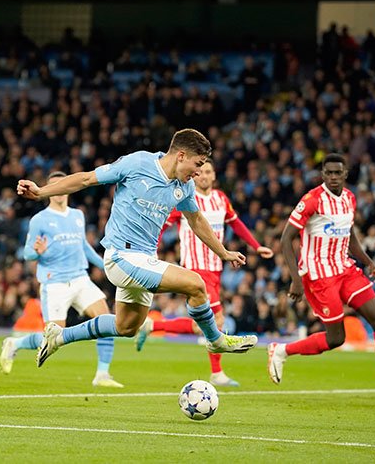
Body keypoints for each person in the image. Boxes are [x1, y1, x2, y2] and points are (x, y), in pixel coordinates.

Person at [17, 128, 257, 368]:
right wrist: (41, 192)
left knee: (127, 327)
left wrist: (223, 252)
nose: (198, 172)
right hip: (121, 256)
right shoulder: (138, 163)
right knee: (195, 284)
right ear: (181, 155)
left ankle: (60, 336)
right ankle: (215, 340)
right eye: (198, 164)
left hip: (145, 258)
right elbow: (86, 179)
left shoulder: (184, 187)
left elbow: (196, 220)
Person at [267, 153, 375, 401]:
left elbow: (349, 236)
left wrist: (368, 262)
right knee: (336, 338)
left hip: (345, 269)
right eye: (328, 173)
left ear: (345, 174)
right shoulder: (312, 200)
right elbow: (286, 238)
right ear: (322, 174)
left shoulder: (350, 198)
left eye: (337, 173)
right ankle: (282, 350)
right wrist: (296, 278)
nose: (333, 177)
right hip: (319, 275)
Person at [135, 160, 274, 387]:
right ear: (195, 175)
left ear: (214, 175)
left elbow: (236, 223)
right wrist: (152, 249)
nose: (204, 176)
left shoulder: (221, 199)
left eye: (208, 172)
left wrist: (256, 246)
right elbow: (162, 225)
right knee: (216, 320)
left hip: (215, 268)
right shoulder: (185, 198)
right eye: (200, 173)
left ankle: (153, 326)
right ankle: (217, 373)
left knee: (200, 324)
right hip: (195, 268)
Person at [0, 171, 123, 388]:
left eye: (62, 184)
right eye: (53, 186)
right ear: (48, 191)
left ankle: (102, 374)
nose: (58, 190)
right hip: (54, 282)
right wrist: (37, 252)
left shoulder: (77, 215)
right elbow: (27, 253)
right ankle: (14, 344)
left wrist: (105, 265)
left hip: (80, 278)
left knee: (106, 319)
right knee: (54, 336)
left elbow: (84, 246)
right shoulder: (40, 220)